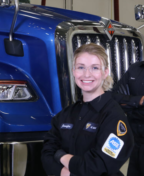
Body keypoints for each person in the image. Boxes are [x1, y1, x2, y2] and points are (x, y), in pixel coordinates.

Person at [41, 43, 134, 176]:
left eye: (95, 68)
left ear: (105, 72)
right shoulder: (65, 115)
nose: (86, 74)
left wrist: (60, 156)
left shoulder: (114, 117)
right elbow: (46, 155)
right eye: (81, 67)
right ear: (73, 71)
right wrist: (62, 172)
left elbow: (97, 166)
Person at [112, 59, 144, 176]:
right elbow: (114, 99)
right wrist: (139, 101)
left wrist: (130, 103)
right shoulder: (135, 68)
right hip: (134, 141)